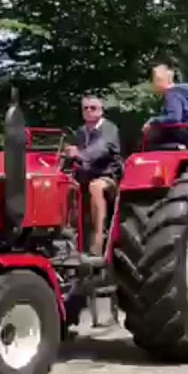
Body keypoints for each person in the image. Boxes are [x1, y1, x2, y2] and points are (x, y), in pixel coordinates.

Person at [64, 94, 122, 255]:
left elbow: (102, 149)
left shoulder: (109, 128)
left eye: (93, 108)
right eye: (85, 108)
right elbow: (71, 154)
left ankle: (98, 241)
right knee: (64, 185)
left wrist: (79, 154)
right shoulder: (80, 132)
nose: (89, 111)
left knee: (95, 187)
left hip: (108, 177)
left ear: (101, 111)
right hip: (84, 176)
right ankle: (68, 236)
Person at [141, 60, 188, 149]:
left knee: (149, 140)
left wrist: (152, 121)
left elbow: (174, 118)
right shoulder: (182, 92)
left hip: (182, 132)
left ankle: (175, 147)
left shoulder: (172, 94)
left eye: (155, 80)